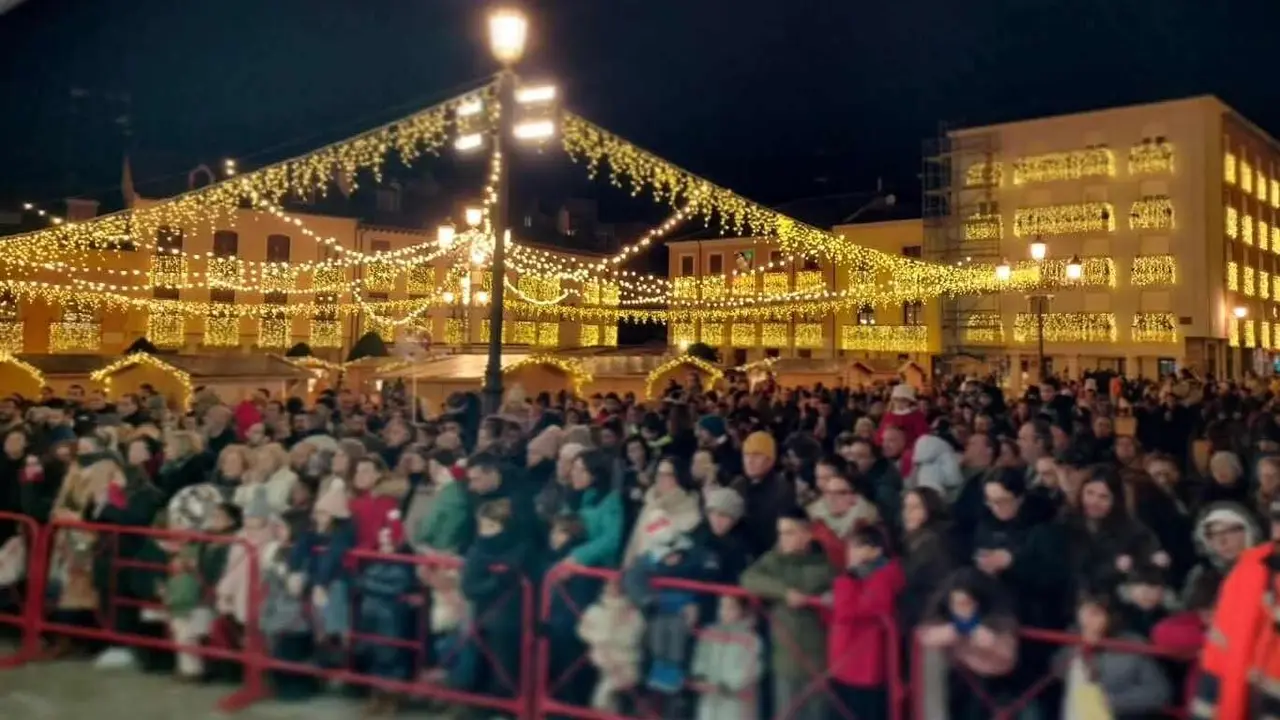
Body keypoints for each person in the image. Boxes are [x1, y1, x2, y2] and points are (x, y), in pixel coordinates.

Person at [739, 506, 836, 720]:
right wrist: (783, 592)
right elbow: (749, 578)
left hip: (816, 659)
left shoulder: (825, 565)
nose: (783, 539)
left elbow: (828, 586)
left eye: (789, 533)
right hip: (784, 657)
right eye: (781, 533)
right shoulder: (774, 559)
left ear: (807, 534)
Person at [1057, 588, 1172, 718]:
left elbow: (1158, 693)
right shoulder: (1071, 640)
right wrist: (1080, 648)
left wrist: (1110, 700)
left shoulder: (1132, 645)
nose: (1087, 620)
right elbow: (1057, 672)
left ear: (1110, 616)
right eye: (1083, 612)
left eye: (1095, 613)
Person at [829, 525, 904, 720]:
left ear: (875, 550)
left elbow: (849, 610)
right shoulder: (859, 576)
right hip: (847, 662)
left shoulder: (884, 576)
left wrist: (845, 580)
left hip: (866, 665)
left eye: (855, 547)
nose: (849, 553)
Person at [577, 577, 645, 713]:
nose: (611, 589)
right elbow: (583, 631)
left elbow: (632, 638)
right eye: (608, 586)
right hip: (602, 664)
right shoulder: (595, 610)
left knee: (604, 698)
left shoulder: (633, 614)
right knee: (603, 699)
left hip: (625, 665)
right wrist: (599, 639)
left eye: (616, 587)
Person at [690, 595, 763, 720]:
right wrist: (700, 676)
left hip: (735, 701)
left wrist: (726, 686)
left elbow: (752, 670)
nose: (724, 612)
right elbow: (701, 657)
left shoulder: (752, 639)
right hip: (710, 698)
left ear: (742, 611)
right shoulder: (709, 633)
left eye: (731, 608)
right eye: (722, 607)